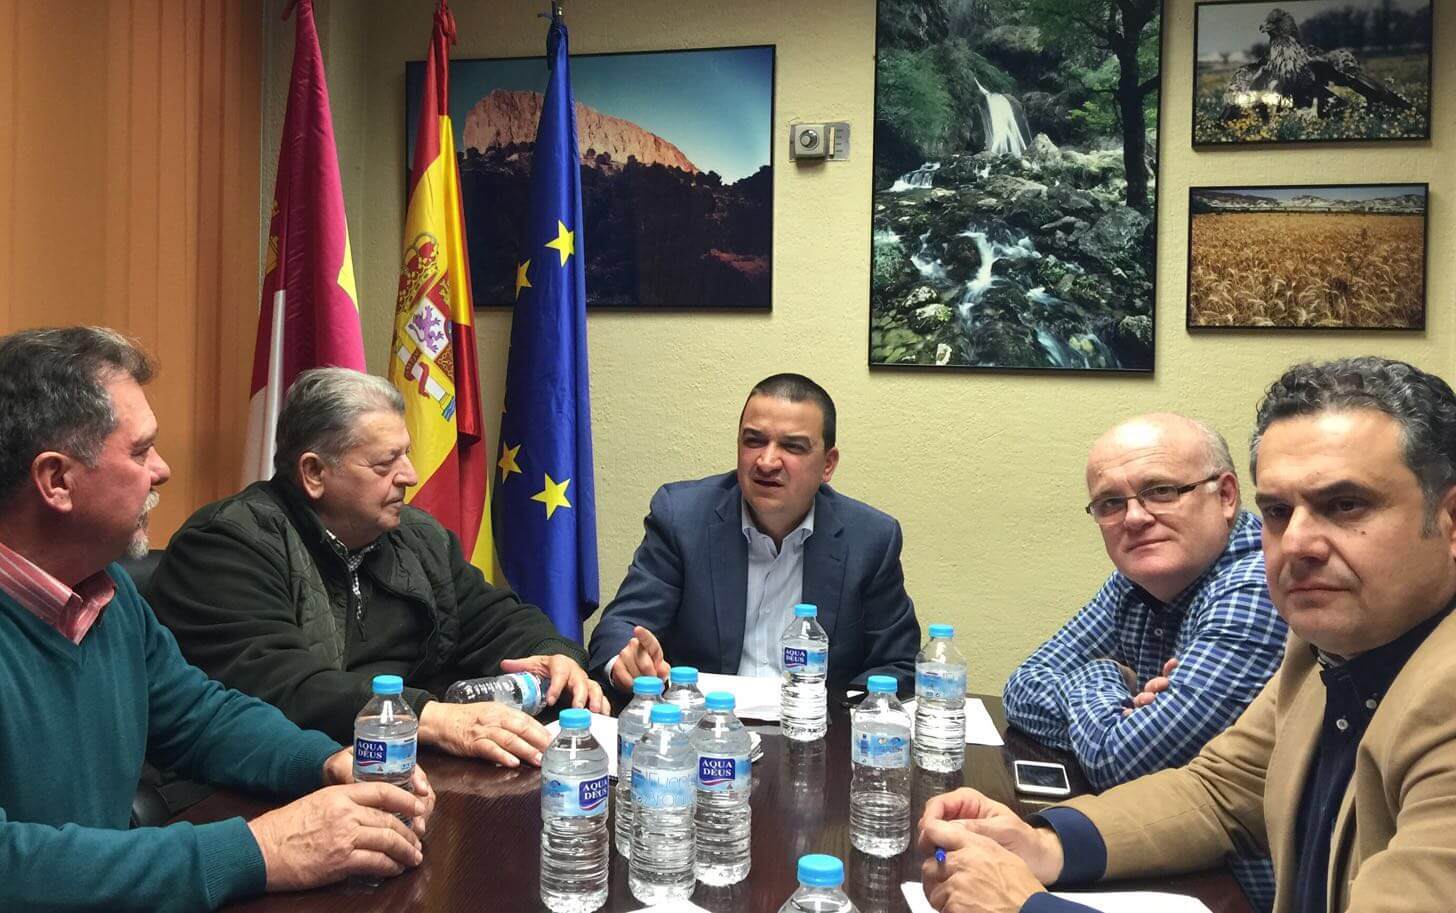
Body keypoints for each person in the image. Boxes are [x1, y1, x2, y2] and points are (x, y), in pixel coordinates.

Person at [0, 328, 434, 913]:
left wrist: (326, 763)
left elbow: (199, 718)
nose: (161, 470)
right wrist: (258, 850)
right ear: (56, 480)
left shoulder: (99, 586)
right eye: (139, 451)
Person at [920, 357, 1456, 913]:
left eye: (1345, 505)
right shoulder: (1326, 646)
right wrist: (1043, 844)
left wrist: (1026, 907)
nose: (1297, 543)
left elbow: (1126, 755)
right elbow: (1219, 793)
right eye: (1277, 510)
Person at [149, 367, 608, 769]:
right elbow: (282, 686)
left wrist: (555, 654)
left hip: (400, 767)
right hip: (269, 786)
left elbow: (498, 619)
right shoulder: (227, 544)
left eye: (405, 453)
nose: (409, 475)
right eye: (386, 462)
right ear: (314, 473)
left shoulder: (416, 536)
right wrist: (431, 716)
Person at [1002, 413, 1286, 908]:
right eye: (1111, 503)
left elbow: (1125, 761)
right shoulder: (1137, 579)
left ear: (1225, 496)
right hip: (1161, 855)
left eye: (1160, 491)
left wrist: (1095, 675)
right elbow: (1023, 684)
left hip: (1245, 887)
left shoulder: (1257, 585)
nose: (1133, 518)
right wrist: (1116, 686)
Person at [586, 373, 920, 694]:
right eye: (754, 441)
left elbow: (898, 664)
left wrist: (840, 715)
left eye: (793, 446)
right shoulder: (681, 518)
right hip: (706, 729)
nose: (767, 461)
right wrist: (626, 661)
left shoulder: (870, 538)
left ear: (828, 464)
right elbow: (621, 626)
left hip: (814, 733)